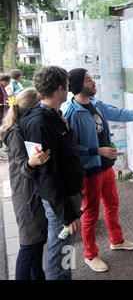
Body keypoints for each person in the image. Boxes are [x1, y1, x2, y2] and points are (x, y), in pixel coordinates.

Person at [64, 68, 133, 273]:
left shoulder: (96, 104)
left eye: (92, 77)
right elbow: (70, 148)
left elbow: (118, 113)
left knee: (112, 204)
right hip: (90, 172)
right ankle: (90, 255)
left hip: (106, 168)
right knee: (91, 214)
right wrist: (97, 150)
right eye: (88, 79)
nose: (93, 82)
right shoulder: (72, 113)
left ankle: (116, 240)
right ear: (78, 85)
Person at [20, 66, 84, 280]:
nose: (68, 90)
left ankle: (66, 277)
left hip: (67, 196)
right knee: (58, 255)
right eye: (67, 86)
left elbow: (63, 154)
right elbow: (47, 175)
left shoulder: (52, 116)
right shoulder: (40, 122)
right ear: (59, 89)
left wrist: (67, 129)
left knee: (67, 248)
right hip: (61, 201)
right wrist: (67, 214)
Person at [0, 89, 50, 280]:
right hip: (26, 196)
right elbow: (22, 167)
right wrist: (32, 163)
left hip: (31, 193)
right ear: (31, 108)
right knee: (29, 245)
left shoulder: (24, 127)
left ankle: (38, 276)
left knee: (37, 244)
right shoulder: (16, 132)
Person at [0, 74, 11, 161]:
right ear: (5, 81)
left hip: (2, 112)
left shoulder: (2, 87)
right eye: (8, 81)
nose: (9, 83)